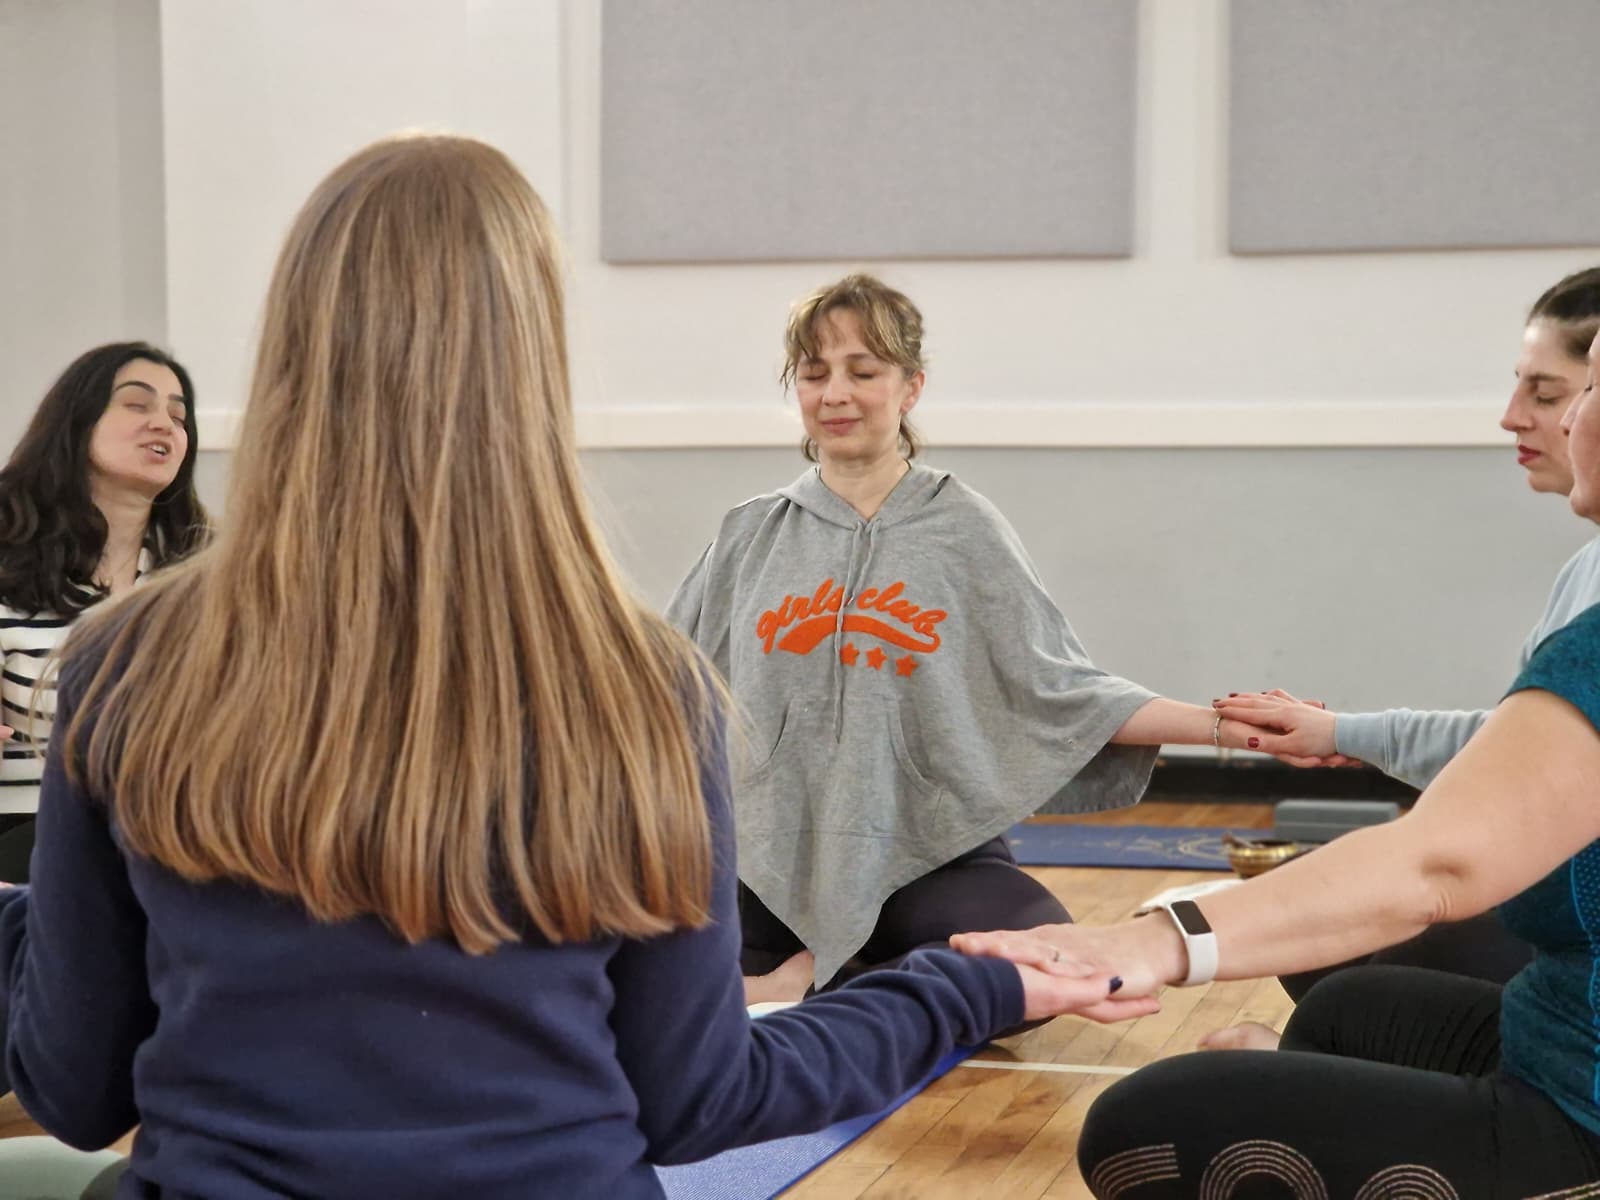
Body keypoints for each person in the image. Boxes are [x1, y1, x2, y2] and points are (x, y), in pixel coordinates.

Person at [0, 136, 1122, 1200]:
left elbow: (75, 1088)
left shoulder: (128, 661)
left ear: (292, 346)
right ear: (531, 363)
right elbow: (700, 1098)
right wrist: (962, 987)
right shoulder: (643, 688)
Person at [951, 331, 1600, 1193]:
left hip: (1585, 1111)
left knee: (1145, 1127)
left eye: (1586, 388)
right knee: (1349, 1008)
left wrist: (1149, 943)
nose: (1564, 417)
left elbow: (1438, 864)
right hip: (1559, 1033)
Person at [667, 274, 1264, 1004]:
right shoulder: (751, 532)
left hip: (928, 852)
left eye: (863, 371)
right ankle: (835, 978)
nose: (836, 394)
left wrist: (1225, 727)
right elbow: (659, 677)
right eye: (815, 374)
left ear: (910, 387)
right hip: (770, 857)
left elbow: (1064, 692)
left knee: (1042, 967)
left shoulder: (964, 529)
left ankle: (817, 982)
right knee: (645, 970)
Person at [1207, 266, 1600, 1024]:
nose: (1512, 418)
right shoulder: (1584, 567)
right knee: (1328, 946)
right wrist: (1339, 733)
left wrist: (1162, 944)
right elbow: (1513, 754)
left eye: (1550, 395)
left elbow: (1501, 798)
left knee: (1343, 961)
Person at [0, 343, 208, 880]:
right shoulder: (7, 561)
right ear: (76, 424)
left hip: (172, 838)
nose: (163, 423)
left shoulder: (208, 575)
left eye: (178, 416)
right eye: (137, 404)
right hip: (28, 837)